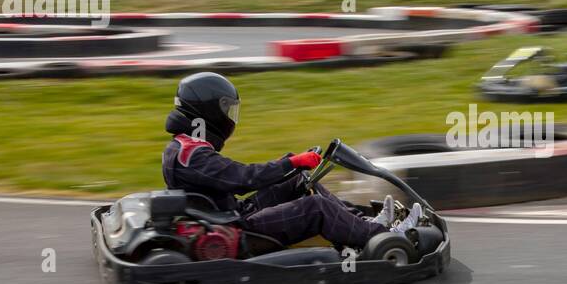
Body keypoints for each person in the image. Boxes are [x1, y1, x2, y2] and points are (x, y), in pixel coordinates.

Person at [161, 72, 419, 249]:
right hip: (237, 229)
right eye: (226, 109)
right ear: (210, 112)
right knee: (316, 207)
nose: (230, 117)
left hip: (228, 214)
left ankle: (365, 225)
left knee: (299, 181)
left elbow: (232, 176)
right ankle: (385, 237)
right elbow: (242, 178)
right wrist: (292, 162)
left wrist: (291, 165)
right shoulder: (191, 155)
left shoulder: (185, 145)